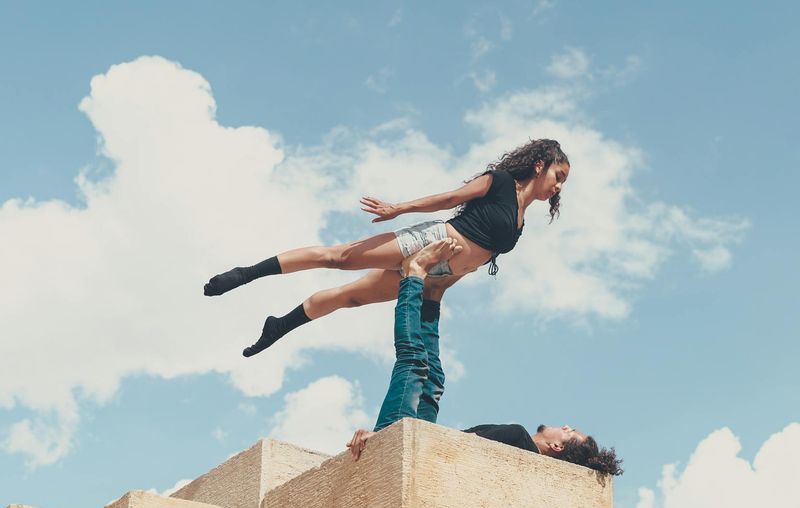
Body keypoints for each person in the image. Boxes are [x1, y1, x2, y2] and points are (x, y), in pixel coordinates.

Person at [203, 139, 570, 357]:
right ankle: (245, 274)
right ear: (540, 165)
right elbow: (449, 198)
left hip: (434, 272)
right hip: (429, 240)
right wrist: (399, 209)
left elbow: (476, 262)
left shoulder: (521, 223)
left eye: (563, 182)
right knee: (339, 257)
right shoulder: (501, 182)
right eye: (558, 176)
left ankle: (279, 326)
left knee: (351, 297)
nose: (558, 186)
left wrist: (437, 292)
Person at [345, 242, 623, 477]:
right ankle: (434, 294)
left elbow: (457, 446)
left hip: (417, 450)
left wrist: (384, 439)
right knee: (433, 380)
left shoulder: (518, 437)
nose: (565, 426)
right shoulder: (524, 458)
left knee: (414, 360)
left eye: (569, 432)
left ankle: (414, 276)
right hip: (426, 448)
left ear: (558, 448)